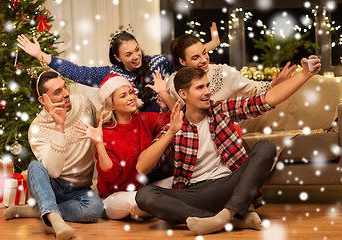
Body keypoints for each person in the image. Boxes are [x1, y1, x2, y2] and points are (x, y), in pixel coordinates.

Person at [135, 55, 321, 235]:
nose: (208, 91)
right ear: (183, 94)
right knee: (144, 195)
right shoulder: (174, 125)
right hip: (193, 193)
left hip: (229, 187)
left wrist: (304, 74)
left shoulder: (222, 109)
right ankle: (231, 221)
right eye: (200, 88)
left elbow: (267, 99)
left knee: (266, 147)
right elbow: (142, 167)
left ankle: (226, 214)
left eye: (207, 85)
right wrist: (170, 132)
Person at [16, 23, 220, 113]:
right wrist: (41, 55)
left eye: (137, 50)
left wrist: (212, 45)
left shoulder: (158, 62)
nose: (136, 56)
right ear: (117, 57)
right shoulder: (112, 74)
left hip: (163, 125)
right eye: (128, 54)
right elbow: (78, 72)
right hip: (134, 132)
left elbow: (186, 56)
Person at [3, 71, 104, 240]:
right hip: (51, 186)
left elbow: (102, 125)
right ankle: (57, 222)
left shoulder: (83, 103)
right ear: (43, 100)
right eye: (57, 92)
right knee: (35, 166)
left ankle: (42, 211)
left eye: (64, 87)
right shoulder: (37, 128)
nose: (66, 94)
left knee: (95, 208)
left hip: (80, 190)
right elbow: (54, 171)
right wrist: (59, 126)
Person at [74, 73, 175, 220]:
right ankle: (152, 208)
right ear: (112, 104)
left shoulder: (143, 120)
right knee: (138, 200)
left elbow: (176, 118)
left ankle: (149, 209)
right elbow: (110, 175)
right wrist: (99, 143)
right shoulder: (105, 133)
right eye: (123, 96)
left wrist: (163, 94)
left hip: (143, 191)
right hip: (113, 198)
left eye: (130, 92)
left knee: (181, 180)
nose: (130, 97)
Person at [166, 34, 297, 102]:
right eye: (195, 58)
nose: (204, 60)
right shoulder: (173, 82)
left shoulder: (224, 73)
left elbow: (253, 89)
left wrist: (274, 84)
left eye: (205, 53)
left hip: (226, 136)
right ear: (182, 61)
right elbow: (171, 115)